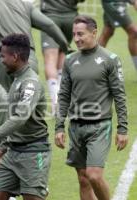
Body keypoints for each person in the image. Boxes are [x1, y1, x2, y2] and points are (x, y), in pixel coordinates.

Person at [0, 33, 51, 200]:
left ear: (15, 57)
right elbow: (12, 119)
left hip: (33, 153)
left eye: (3, 56)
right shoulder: (16, 79)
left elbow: (20, 118)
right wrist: (2, 148)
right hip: (12, 152)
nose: (2, 60)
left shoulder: (30, 83)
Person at [55, 15, 128, 200]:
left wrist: (122, 128)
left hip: (99, 126)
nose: (76, 38)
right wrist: (59, 126)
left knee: (94, 175)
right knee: (83, 179)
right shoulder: (70, 60)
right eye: (74, 34)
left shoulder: (110, 59)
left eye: (81, 34)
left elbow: (119, 95)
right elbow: (63, 95)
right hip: (76, 126)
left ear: (94, 33)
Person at [0, 0, 69, 92]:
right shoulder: (26, 5)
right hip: (28, 61)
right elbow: (49, 24)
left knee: (2, 104)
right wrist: (65, 46)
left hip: (5, 61)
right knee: (28, 104)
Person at [40, 0, 85, 115]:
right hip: (70, 18)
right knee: (62, 55)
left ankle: (56, 104)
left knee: (50, 59)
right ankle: (63, 102)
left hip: (50, 17)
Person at [98, 0, 137, 73]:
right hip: (113, 2)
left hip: (118, 2)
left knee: (108, 32)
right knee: (134, 32)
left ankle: (90, 62)